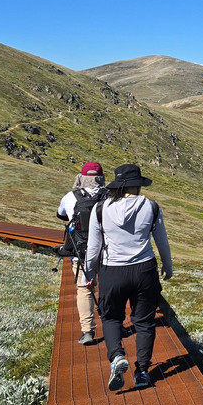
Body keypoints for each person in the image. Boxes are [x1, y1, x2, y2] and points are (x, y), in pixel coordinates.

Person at [84, 163, 173, 391]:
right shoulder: (151, 207)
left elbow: (93, 247)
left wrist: (89, 272)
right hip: (144, 270)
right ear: (138, 185)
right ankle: (142, 371)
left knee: (111, 317)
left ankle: (116, 356)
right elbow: (161, 241)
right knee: (144, 322)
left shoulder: (101, 209)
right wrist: (168, 266)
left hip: (112, 270)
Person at [57, 161, 106, 345]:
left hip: (81, 252)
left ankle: (87, 331)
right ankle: (111, 323)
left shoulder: (71, 197)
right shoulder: (108, 197)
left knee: (84, 289)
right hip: (106, 251)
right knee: (106, 285)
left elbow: (60, 214)